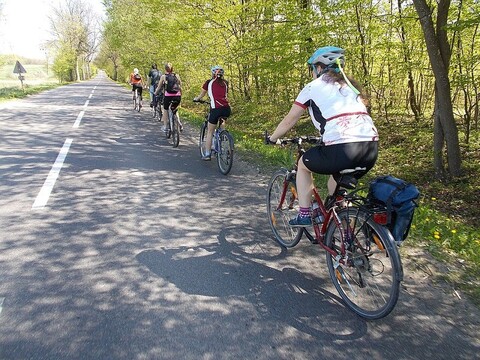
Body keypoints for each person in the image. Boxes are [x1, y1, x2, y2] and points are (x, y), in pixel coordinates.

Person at [267, 46, 379, 226]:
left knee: (303, 164)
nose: (312, 73)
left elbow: (289, 120)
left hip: (342, 148)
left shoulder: (312, 87)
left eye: (312, 68)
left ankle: (304, 214)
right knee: (337, 188)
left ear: (319, 68)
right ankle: (345, 228)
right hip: (370, 149)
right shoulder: (350, 87)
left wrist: (272, 138)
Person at [194, 65, 231, 160]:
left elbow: (202, 94)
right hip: (227, 109)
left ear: (213, 73)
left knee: (210, 131)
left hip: (216, 109)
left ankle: (207, 154)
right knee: (222, 123)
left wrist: (197, 99)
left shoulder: (209, 82)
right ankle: (223, 141)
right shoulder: (225, 83)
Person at [155, 63, 183, 132]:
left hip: (168, 96)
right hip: (177, 96)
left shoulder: (163, 76)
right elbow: (180, 86)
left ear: (165, 69)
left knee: (165, 109)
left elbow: (159, 87)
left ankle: (165, 126)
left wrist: (155, 93)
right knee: (175, 108)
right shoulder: (177, 75)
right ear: (172, 68)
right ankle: (179, 123)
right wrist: (180, 94)